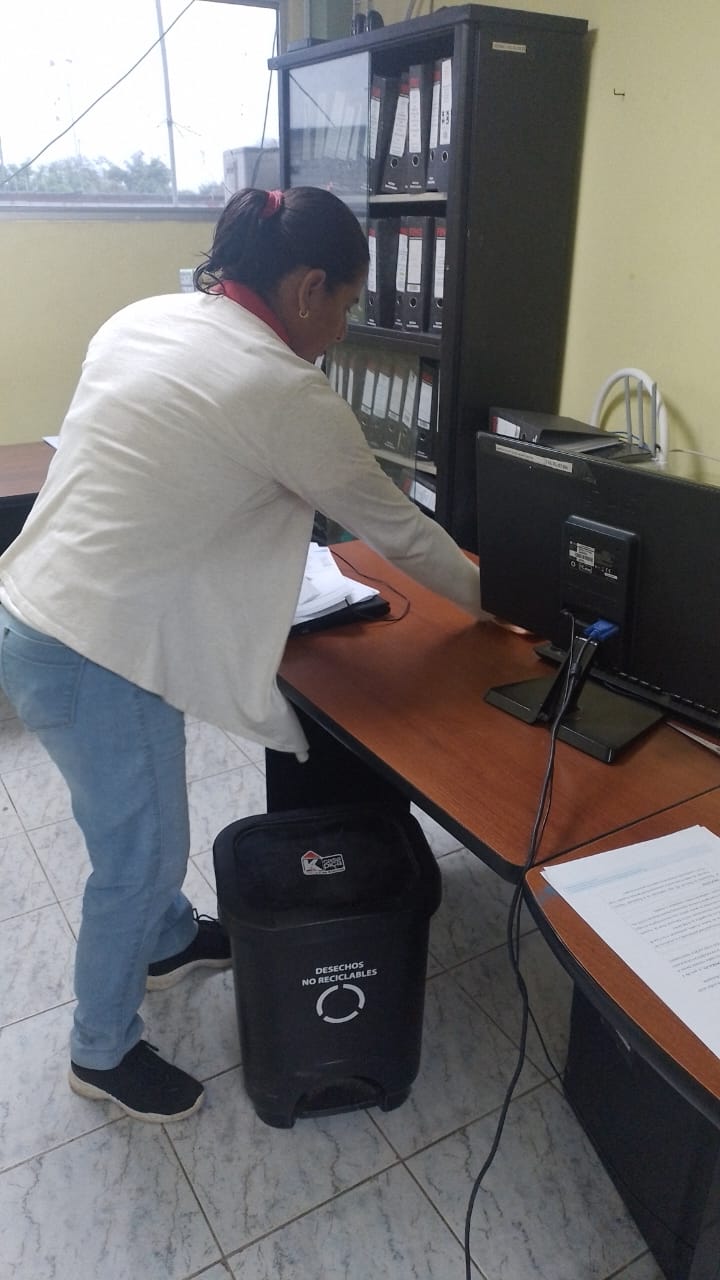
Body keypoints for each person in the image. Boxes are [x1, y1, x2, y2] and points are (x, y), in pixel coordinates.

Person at [0, 186, 485, 1123]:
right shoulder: (283, 391)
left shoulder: (145, 316)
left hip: (37, 610)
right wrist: (503, 603)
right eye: (345, 305)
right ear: (307, 288)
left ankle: (168, 942)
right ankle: (101, 1051)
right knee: (138, 855)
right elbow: (401, 533)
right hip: (95, 651)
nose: (341, 331)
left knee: (132, 819)